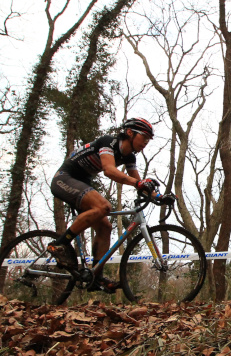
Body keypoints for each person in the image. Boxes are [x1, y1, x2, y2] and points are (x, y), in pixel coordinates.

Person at [48, 117, 159, 291]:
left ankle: (95, 277)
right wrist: (138, 184)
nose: (145, 142)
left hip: (82, 182)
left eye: (148, 139)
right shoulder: (109, 142)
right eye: (144, 137)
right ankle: (60, 244)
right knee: (104, 207)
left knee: (105, 226)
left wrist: (157, 196)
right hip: (65, 178)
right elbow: (109, 170)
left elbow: (139, 183)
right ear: (130, 133)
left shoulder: (129, 156)